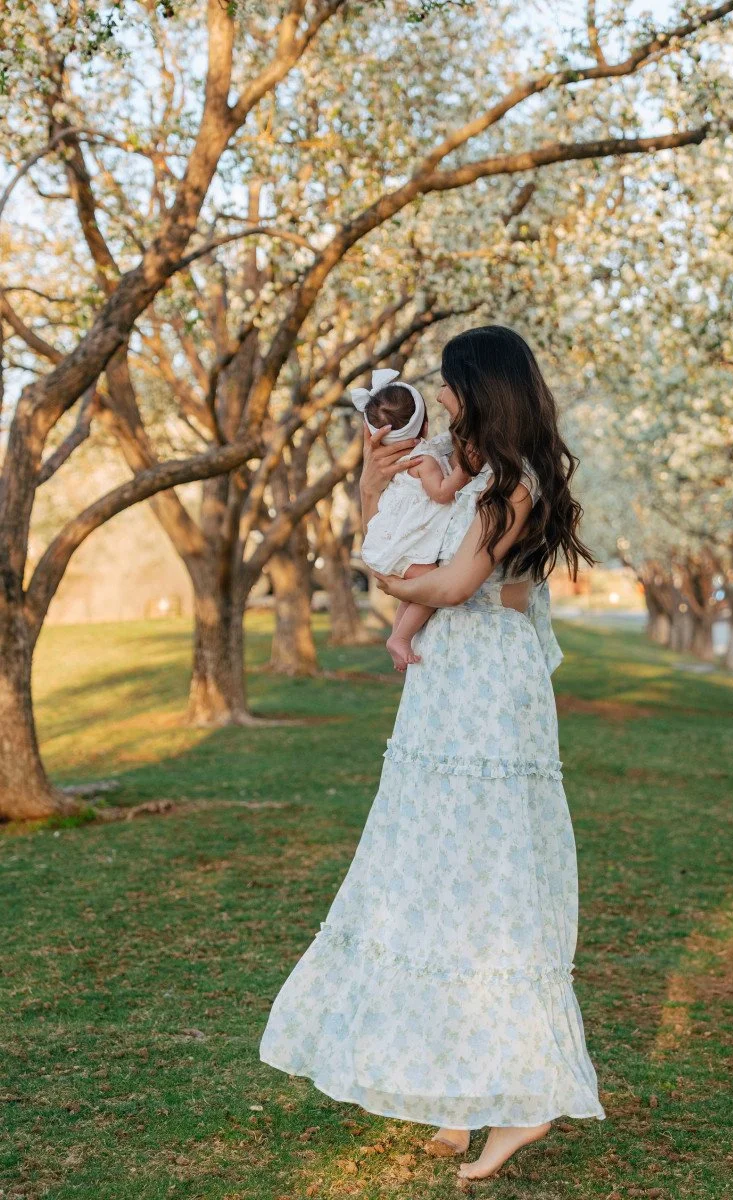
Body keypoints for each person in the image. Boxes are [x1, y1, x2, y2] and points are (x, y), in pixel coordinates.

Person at [259, 326, 605, 1181]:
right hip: (454, 680)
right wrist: (374, 490)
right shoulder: (481, 468)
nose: (441, 398)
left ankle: (519, 1101)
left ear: (483, 387)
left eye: (450, 386)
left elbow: (450, 587)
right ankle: (457, 1088)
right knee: (437, 869)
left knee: (485, 876)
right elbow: (413, 545)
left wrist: (388, 578)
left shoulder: (514, 483)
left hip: (485, 687)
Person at [351, 368, 470, 671]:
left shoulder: (397, 465)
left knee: (414, 593)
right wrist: (464, 470)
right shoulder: (425, 459)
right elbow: (441, 493)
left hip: (395, 546)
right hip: (407, 549)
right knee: (430, 584)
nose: (440, 394)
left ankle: (397, 635)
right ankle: (400, 637)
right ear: (425, 425)